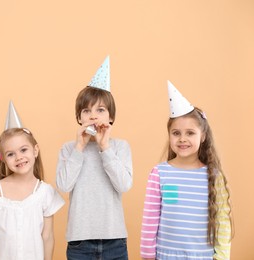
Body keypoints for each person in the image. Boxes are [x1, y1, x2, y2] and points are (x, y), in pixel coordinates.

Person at [140, 81, 233, 260]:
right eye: (176, 133)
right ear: (169, 136)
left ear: (203, 136)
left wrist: (221, 257)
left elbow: (222, 221)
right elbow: (150, 219)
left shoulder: (213, 176)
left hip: (202, 256)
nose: (182, 139)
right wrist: (147, 255)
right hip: (165, 256)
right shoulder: (159, 174)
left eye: (190, 133)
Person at [56, 56, 133, 260]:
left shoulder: (119, 147)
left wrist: (104, 148)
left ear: (110, 117)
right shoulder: (69, 149)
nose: (93, 116)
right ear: (79, 118)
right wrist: (79, 148)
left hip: (114, 239)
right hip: (79, 241)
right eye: (86, 111)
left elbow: (124, 185)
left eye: (100, 110)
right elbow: (64, 185)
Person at [0, 101, 65, 260]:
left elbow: (47, 236)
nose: (19, 157)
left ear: (35, 150)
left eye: (23, 150)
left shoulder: (44, 192)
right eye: (11, 154)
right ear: (3, 159)